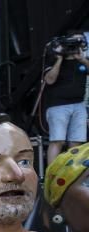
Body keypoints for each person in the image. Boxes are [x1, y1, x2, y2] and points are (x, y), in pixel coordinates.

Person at [42, 31, 89, 164]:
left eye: (79, 41)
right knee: (58, 140)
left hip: (78, 105)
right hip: (58, 106)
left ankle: (71, 175)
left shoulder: (83, 61)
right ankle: (52, 175)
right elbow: (49, 80)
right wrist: (60, 59)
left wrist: (82, 59)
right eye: (72, 42)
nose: (75, 45)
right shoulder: (53, 59)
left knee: (77, 141)